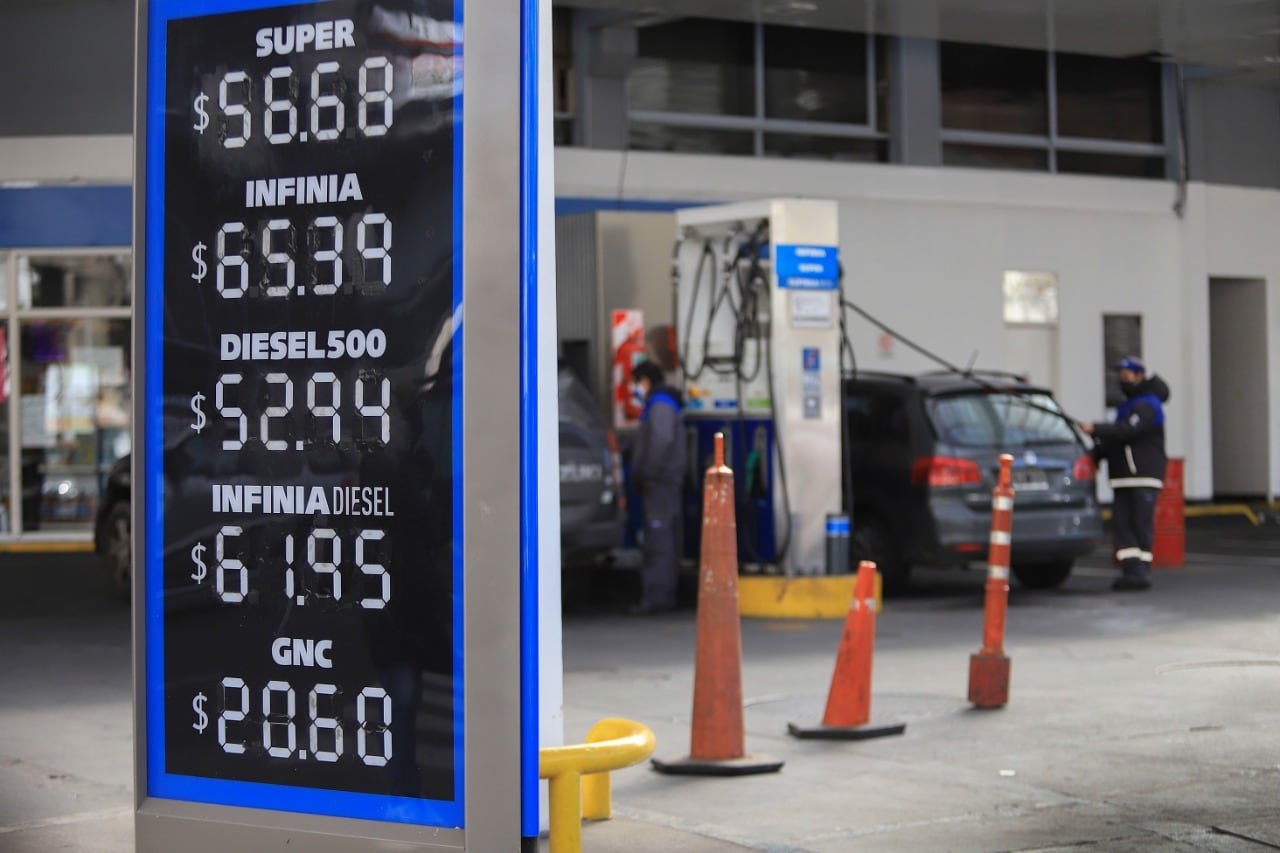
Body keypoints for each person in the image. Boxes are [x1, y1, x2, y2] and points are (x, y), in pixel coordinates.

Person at [1081, 356, 1170, 592]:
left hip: (1142, 475)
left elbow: (1128, 431)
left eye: (1127, 375)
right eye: (1120, 375)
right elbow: (1115, 438)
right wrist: (1095, 455)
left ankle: (1141, 572)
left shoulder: (1148, 405)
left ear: (1139, 375)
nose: (1122, 379)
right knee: (1122, 524)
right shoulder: (1126, 407)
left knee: (1139, 523)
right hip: (1123, 477)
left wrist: (1097, 429)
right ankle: (1131, 571)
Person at [628, 360, 686, 614]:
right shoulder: (660, 404)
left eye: (635, 383)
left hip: (660, 483)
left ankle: (658, 597)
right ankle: (661, 594)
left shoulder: (660, 405)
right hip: (663, 483)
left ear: (645, 381)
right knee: (662, 539)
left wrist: (647, 472)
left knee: (659, 542)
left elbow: (661, 440)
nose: (634, 389)